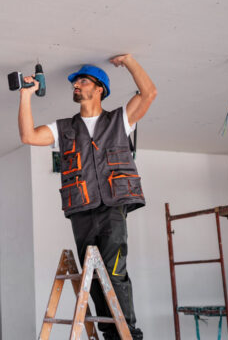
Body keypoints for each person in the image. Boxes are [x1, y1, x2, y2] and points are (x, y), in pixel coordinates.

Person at [17, 54, 157, 340]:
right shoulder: (64, 128)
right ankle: (110, 334)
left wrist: (129, 61)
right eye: (75, 83)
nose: (76, 86)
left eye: (82, 81)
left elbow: (149, 93)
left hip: (113, 207)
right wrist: (26, 96)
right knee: (92, 278)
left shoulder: (120, 120)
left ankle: (128, 335)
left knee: (114, 272)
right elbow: (28, 136)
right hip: (81, 210)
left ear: (99, 88)